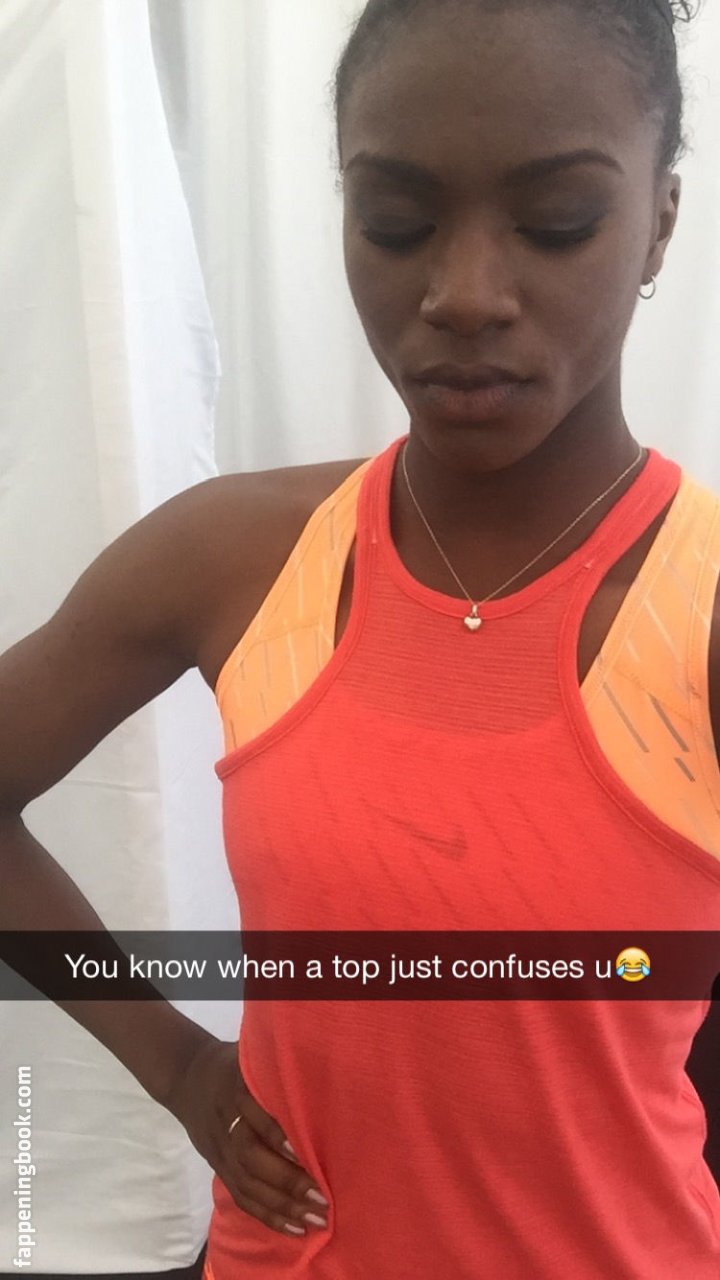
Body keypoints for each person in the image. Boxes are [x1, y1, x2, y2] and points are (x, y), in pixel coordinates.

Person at [1, 0, 718, 1276]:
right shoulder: (238, 558)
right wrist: (177, 1064)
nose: (463, 294)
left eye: (557, 222)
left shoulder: (696, 606)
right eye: (394, 220)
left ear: (661, 219)